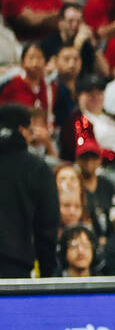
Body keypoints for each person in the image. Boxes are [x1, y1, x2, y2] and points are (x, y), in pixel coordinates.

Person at [0, 103, 58, 278]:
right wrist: (48, 275)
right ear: (22, 130)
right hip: (14, 269)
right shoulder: (37, 168)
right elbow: (47, 228)